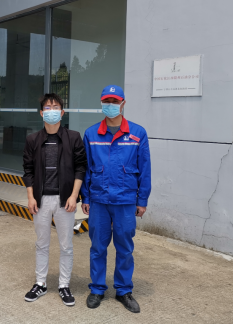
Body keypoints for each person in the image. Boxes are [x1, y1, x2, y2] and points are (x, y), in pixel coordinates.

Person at [81, 85, 151, 314]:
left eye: (114, 101)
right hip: (99, 200)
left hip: (125, 201)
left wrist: (142, 200)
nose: (110, 105)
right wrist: (85, 197)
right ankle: (97, 289)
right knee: (97, 247)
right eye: (106, 101)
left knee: (125, 248)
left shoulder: (138, 133)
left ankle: (123, 290)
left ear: (123, 103)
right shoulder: (91, 134)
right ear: (101, 103)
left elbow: (145, 169)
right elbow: (86, 169)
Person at [23, 93, 87, 307]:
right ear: (42, 113)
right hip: (41, 200)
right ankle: (40, 283)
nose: (52, 111)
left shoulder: (73, 138)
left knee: (66, 245)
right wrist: (31, 196)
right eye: (48, 107)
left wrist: (74, 196)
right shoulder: (33, 140)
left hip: (64, 200)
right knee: (41, 243)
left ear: (62, 112)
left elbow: (80, 168)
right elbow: (28, 170)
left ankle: (64, 285)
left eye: (56, 107)